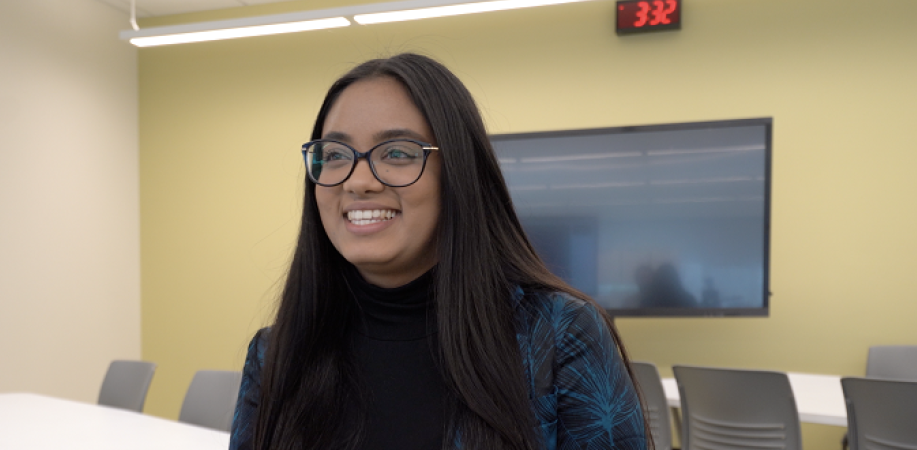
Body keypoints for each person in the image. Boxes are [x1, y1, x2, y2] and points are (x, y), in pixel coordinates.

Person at [229, 53, 648, 450]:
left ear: (458, 173)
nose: (357, 182)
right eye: (335, 155)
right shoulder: (276, 353)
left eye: (396, 153)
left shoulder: (559, 334)